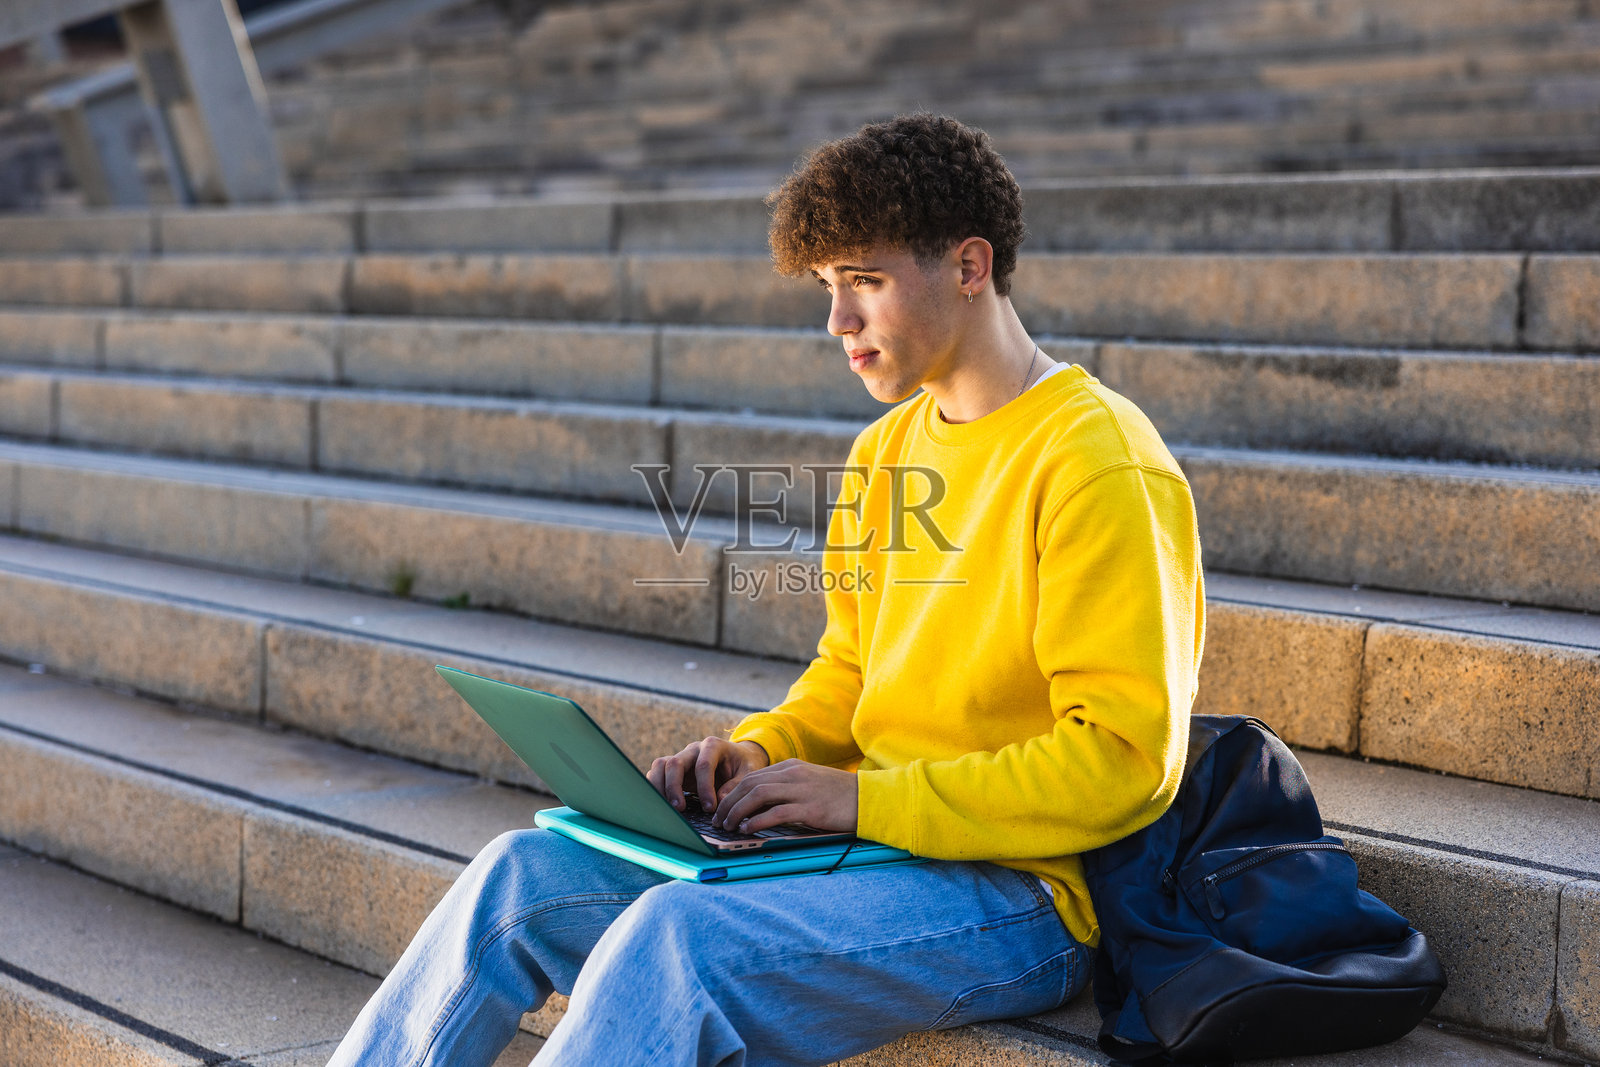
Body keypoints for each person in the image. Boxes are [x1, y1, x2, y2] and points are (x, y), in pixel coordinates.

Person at [327, 113, 1205, 1067]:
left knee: (680, 940)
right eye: (830, 287)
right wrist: (755, 756)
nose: (838, 322)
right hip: (873, 851)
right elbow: (852, 672)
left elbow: (1123, 760)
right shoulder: (886, 451)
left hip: (1018, 895)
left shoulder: (1098, 461)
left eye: (864, 281)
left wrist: (860, 804)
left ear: (968, 266)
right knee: (518, 876)